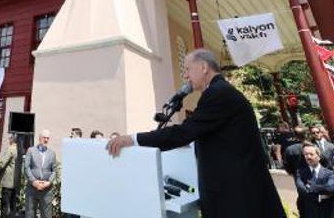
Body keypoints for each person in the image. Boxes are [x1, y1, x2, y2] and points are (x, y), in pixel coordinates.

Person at [106, 49, 286, 218]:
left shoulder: (218, 93)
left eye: (187, 69)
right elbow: (214, 135)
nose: (185, 75)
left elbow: (184, 132)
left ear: (204, 67)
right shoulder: (219, 91)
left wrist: (132, 139)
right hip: (236, 192)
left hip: (237, 196)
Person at [295, 143, 334, 218]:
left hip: (330, 212)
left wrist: (313, 187)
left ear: (319, 157)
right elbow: (302, 190)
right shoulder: (300, 173)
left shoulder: (330, 173)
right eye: (306, 154)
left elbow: (331, 187)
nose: (308, 157)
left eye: (311, 154)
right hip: (310, 213)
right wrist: (320, 196)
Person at [24, 129, 56, 218]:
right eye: (44, 137)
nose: (46, 140)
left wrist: (49, 182)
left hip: (46, 190)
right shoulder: (30, 151)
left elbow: (54, 171)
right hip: (32, 188)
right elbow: (26, 168)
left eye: (48, 138)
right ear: (39, 138)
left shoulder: (52, 153)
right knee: (30, 213)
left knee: (47, 215)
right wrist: (34, 182)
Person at [0, 134, 18, 217]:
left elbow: (2, 164)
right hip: (15, 181)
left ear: (12, 139)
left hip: (7, 181)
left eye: (9, 138)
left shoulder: (11, 149)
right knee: (12, 205)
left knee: (4, 205)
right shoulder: (19, 150)